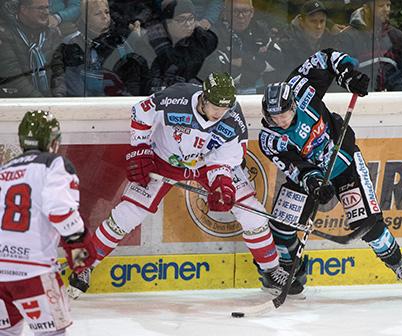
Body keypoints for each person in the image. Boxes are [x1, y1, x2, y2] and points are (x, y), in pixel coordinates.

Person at [66, 72, 302, 299]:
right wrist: (140, 149)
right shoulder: (176, 97)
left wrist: (222, 183)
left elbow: (225, 157)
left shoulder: (232, 117)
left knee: (254, 215)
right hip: (162, 161)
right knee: (127, 215)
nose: (221, 113)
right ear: (203, 98)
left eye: (225, 108)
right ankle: (83, 266)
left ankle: (270, 271)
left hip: (205, 166)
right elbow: (142, 111)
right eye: (216, 108)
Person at [257, 48, 402, 293]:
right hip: (312, 176)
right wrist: (313, 182)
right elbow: (295, 167)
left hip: (342, 161)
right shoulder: (270, 139)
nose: (280, 121)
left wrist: (348, 76)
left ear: (293, 104)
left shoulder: (301, 89)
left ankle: (398, 263)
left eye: (284, 115)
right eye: (273, 118)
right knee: (281, 226)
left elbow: (326, 57)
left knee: (368, 224)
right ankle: (291, 271)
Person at [0, 110, 97, 335]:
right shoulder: (55, 164)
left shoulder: (4, 170)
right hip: (34, 273)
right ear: (53, 142)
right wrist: (80, 258)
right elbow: (61, 212)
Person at [50, 0, 150, 97]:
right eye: (98, 14)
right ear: (85, 18)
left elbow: (133, 79)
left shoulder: (120, 43)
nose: (105, 17)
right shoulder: (71, 45)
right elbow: (69, 84)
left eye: (107, 12)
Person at [333, 0, 402, 91]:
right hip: (360, 98)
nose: (386, 9)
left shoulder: (396, 36)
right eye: (381, 6)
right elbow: (341, 76)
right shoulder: (347, 37)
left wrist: (399, 89)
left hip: (392, 98)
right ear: (366, 8)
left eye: (388, 5)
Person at [147, 0, 218, 92]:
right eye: (181, 20)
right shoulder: (153, 43)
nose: (188, 24)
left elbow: (212, 74)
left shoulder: (204, 41)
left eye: (190, 19)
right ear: (168, 23)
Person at [0, 0, 62, 97]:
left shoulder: (52, 33)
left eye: (47, 7)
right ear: (24, 9)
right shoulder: (5, 35)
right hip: (15, 102)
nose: (47, 12)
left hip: (48, 101)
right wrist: (40, 102)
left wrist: (58, 97)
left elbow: (59, 70)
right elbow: (14, 77)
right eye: (41, 8)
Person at [277, 0, 337, 77]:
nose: (319, 26)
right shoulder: (287, 43)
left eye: (322, 21)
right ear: (302, 22)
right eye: (313, 21)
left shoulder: (330, 40)